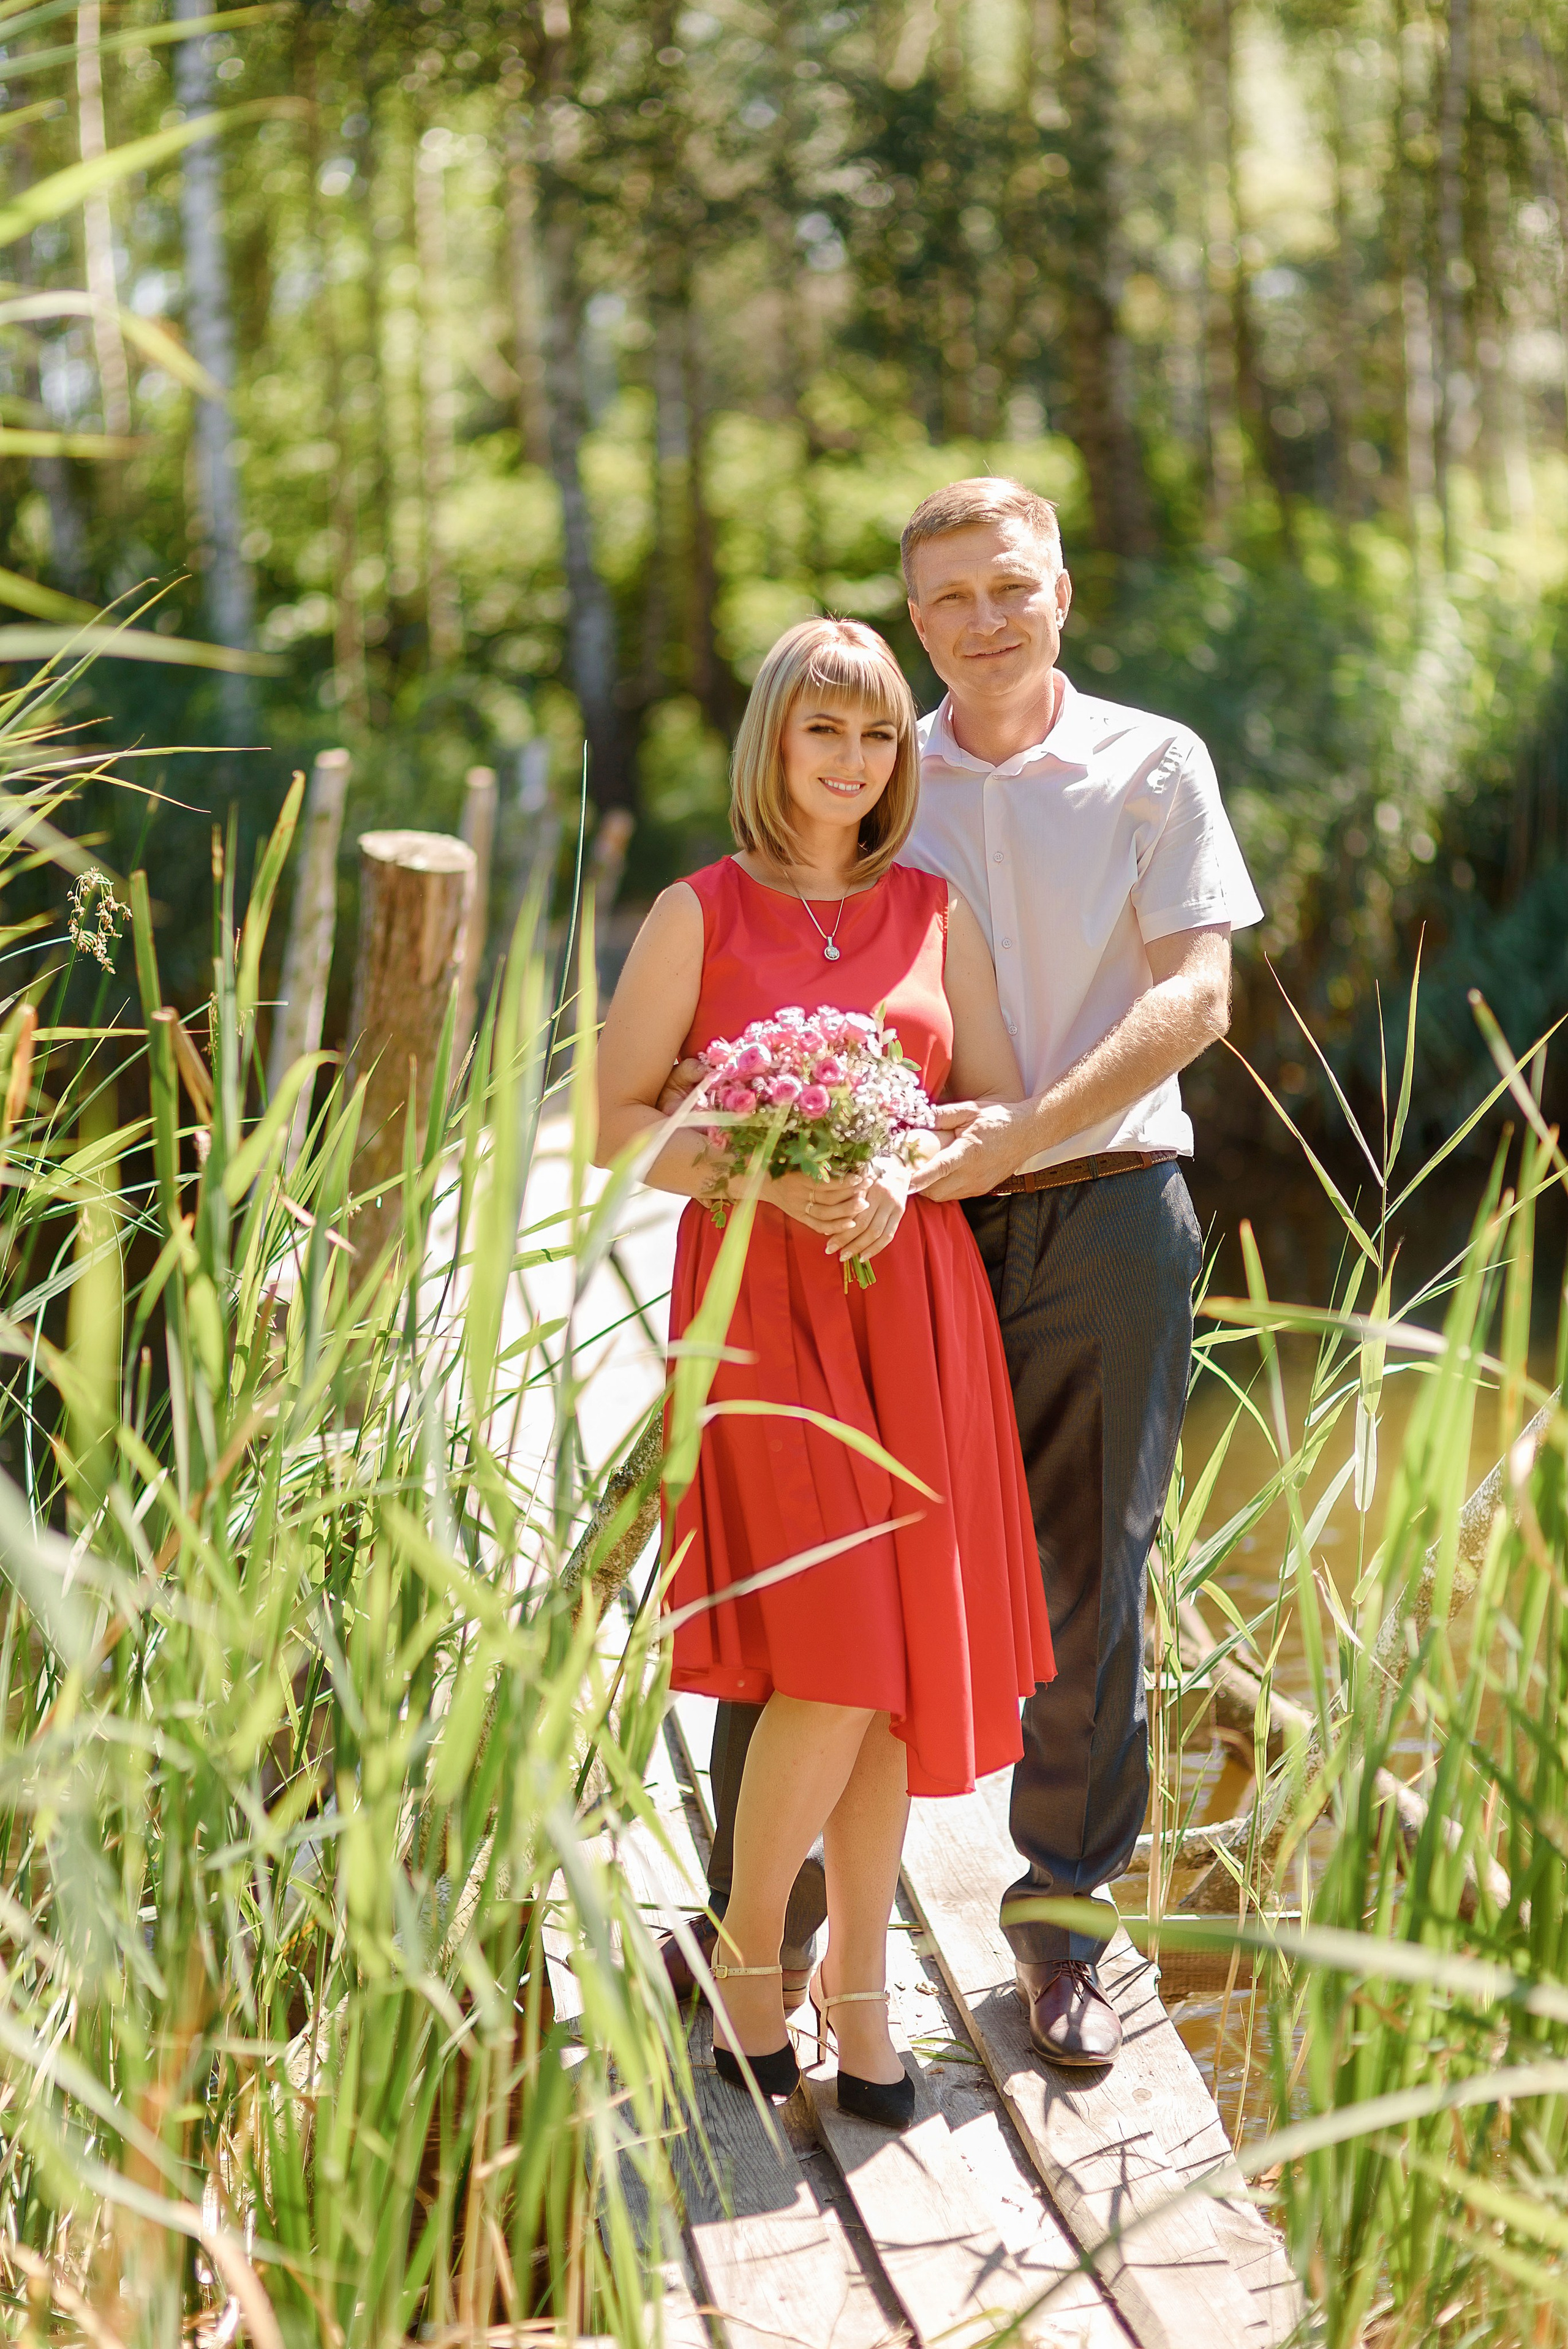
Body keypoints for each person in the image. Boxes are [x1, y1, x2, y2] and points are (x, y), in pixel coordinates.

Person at [663, 478, 1262, 2070]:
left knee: (1092, 1568)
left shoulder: (1155, 762)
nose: (984, 617)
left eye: (1011, 585)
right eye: (949, 597)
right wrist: (804, 1169)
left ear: (1061, 587)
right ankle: (759, 1924)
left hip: (1102, 1206)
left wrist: (1014, 1137)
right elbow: (773, 965)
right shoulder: (879, 772)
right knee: (819, 1562)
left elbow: (1194, 995)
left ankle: (1062, 1918)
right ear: (914, 616)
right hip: (889, 1231)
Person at [595, 616, 1054, 2128]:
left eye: (875, 737)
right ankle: (746, 1969)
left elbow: (986, 1108)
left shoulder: (934, 908)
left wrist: (897, 1173)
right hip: (759, 1307)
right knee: (839, 1651)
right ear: (772, 744)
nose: (852, 763)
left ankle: (857, 2002)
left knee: (887, 1680)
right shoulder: (699, 911)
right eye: (823, 732)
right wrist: (767, 1174)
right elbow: (612, 1127)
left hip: (912, 1301)